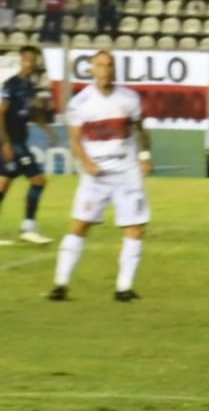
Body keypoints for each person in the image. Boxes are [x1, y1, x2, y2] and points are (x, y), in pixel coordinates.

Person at [48, 49, 152, 302]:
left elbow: (141, 129)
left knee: (135, 227)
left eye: (109, 66)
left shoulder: (129, 98)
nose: (105, 70)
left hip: (126, 173)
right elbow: (74, 139)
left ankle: (123, 288)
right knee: (80, 225)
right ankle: (60, 284)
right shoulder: (80, 103)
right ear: (91, 69)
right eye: (100, 65)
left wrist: (145, 155)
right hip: (96, 175)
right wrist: (86, 163)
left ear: (114, 69)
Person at [0, 44, 57, 245]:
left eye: (34, 61)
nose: (31, 65)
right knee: (38, 181)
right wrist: (5, 143)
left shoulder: (29, 86)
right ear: (21, 61)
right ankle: (28, 228)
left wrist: (48, 130)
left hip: (19, 140)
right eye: (28, 60)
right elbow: (1, 114)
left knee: (3, 184)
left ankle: (27, 228)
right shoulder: (11, 85)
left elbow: (32, 112)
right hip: (13, 142)